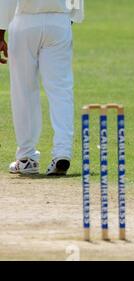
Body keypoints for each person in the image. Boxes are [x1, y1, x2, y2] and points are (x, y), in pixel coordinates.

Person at [0, 0, 84, 175]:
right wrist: (69, 18)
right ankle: (63, 153)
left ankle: (26, 157)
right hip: (59, 22)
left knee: (24, 90)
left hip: (24, 21)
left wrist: (0, 31)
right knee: (61, 89)